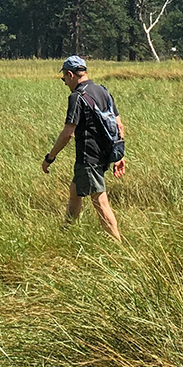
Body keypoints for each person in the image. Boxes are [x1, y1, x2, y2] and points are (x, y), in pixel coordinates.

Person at [41, 55, 124, 241]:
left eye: (64, 78)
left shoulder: (77, 97)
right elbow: (119, 125)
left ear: (70, 74)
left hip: (89, 157)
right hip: (103, 155)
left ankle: (119, 245)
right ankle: (67, 232)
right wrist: (119, 155)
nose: (65, 83)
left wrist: (50, 157)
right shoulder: (103, 91)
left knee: (100, 202)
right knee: (75, 190)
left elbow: (67, 133)